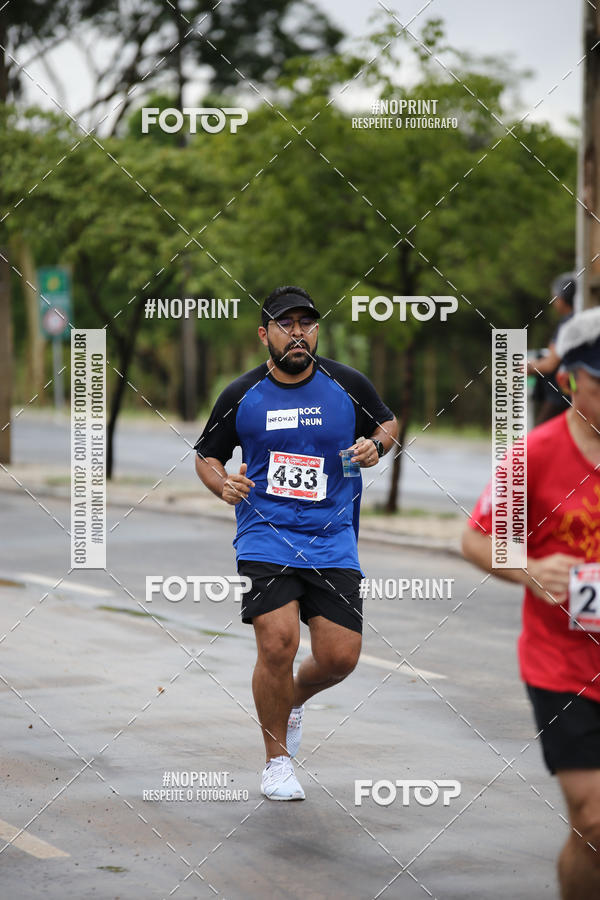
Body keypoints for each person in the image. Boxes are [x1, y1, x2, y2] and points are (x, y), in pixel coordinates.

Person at [194, 285, 398, 801]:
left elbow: (388, 423)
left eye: (306, 323)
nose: (298, 332)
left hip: (333, 537)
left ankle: (294, 700)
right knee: (278, 643)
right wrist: (222, 483)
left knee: (340, 657)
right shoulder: (242, 394)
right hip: (266, 535)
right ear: (264, 334)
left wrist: (376, 446)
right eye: (286, 324)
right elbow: (206, 455)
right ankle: (276, 762)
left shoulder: (346, 384)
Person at [463, 307, 600, 900]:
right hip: (563, 667)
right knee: (594, 821)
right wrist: (529, 568)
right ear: (569, 379)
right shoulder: (535, 456)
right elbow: (476, 539)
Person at [527, 272, 575, 425]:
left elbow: (550, 364)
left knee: (540, 434)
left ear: (561, 298)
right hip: (575, 391)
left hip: (560, 393)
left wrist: (530, 366)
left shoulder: (567, 325)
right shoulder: (580, 320)